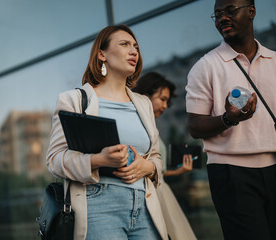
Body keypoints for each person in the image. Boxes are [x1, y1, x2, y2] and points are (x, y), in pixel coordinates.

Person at [46, 25, 168, 240]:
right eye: (124, 44)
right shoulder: (74, 100)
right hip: (98, 205)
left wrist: (145, 166)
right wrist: (98, 160)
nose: (134, 51)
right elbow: (55, 160)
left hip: (146, 207)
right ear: (102, 54)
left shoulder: (144, 104)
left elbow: (156, 158)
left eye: (136, 47)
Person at [185, 0, 276, 239]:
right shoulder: (204, 67)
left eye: (229, 11)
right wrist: (227, 118)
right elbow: (195, 126)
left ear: (252, 11)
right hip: (231, 173)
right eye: (217, 14)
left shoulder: (275, 61)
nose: (222, 18)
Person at [133, 72, 197, 240]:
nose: (166, 106)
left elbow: (154, 171)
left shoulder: (152, 127)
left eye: (167, 102)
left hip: (162, 192)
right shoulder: (136, 126)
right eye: (162, 99)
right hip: (149, 196)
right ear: (146, 95)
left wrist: (178, 171)